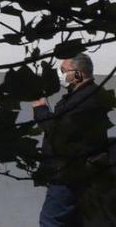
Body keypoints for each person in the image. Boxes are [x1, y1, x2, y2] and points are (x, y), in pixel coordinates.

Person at [33, 53, 111, 227]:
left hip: (68, 173)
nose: (60, 75)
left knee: (51, 221)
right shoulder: (87, 96)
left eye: (63, 70)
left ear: (78, 74)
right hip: (78, 172)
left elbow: (59, 131)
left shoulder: (84, 99)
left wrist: (41, 110)